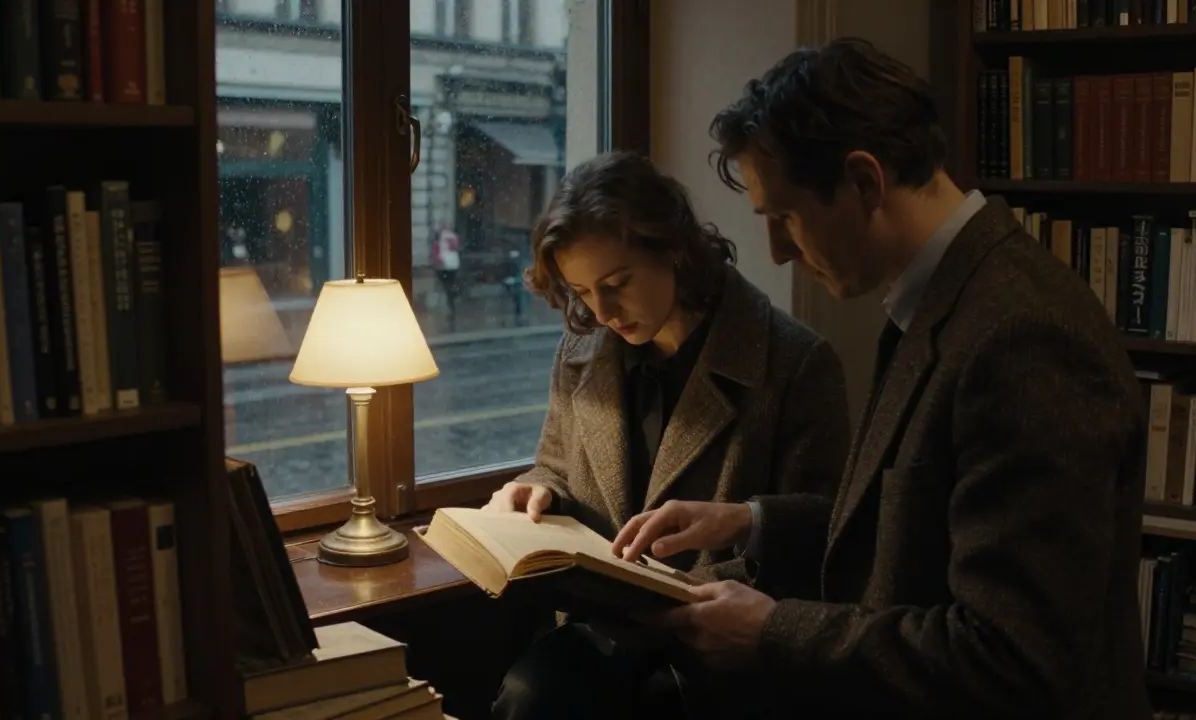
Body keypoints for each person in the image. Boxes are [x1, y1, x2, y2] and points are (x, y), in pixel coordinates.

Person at [611, 38, 1154, 719]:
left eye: (784, 217)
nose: (778, 253)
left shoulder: (1021, 339)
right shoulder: (947, 299)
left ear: (865, 181)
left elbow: (1012, 658)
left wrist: (771, 631)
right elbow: (914, 520)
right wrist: (744, 522)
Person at [484, 150, 851, 719]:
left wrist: (745, 524)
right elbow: (555, 465)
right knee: (528, 694)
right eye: (582, 292)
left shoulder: (795, 362)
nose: (602, 310)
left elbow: (829, 528)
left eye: (617, 283)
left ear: (673, 247)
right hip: (599, 631)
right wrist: (535, 490)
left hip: (721, 647)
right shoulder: (582, 353)